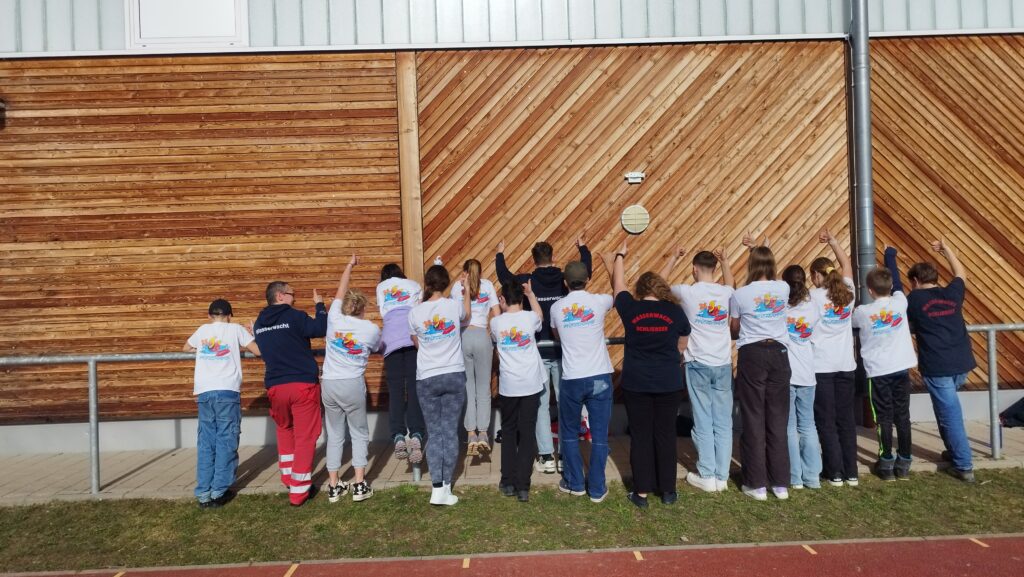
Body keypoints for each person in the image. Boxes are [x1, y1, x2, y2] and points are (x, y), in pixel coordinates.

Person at [605, 240, 691, 508]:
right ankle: (668, 491)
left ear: (640, 291)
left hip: (637, 383)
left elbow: (618, 285)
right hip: (668, 381)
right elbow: (683, 343)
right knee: (665, 435)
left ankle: (641, 493)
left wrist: (620, 256)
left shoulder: (631, 309)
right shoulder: (674, 311)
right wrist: (670, 358)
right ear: (661, 289)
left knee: (641, 436)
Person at [496, 234, 592, 474]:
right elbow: (586, 270)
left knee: (540, 404)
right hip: (563, 351)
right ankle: (565, 453)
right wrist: (583, 248)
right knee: (564, 402)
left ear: (533, 259)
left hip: (538, 351)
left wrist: (500, 254)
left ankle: (547, 456)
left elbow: (503, 276)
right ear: (553, 257)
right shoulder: (564, 279)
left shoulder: (526, 280)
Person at [661, 246, 735, 492]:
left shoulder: (687, 292)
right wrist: (725, 262)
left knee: (703, 418)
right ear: (714, 270)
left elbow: (658, 285)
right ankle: (722, 477)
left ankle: (707, 474)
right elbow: (731, 284)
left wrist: (673, 257)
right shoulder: (726, 293)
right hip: (723, 363)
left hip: (698, 363)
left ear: (694, 269)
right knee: (723, 421)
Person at [906, 238, 976, 483]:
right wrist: (947, 250)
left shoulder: (913, 300)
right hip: (962, 363)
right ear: (934, 278)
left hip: (938, 365)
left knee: (950, 414)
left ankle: (964, 465)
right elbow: (960, 274)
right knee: (945, 409)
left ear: (915, 281)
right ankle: (954, 451)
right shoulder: (951, 293)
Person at [253, 281, 328, 506]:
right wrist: (320, 306)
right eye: (292, 294)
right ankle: (299, 491)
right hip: (301, 384)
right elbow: (320, 329)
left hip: (276, 387)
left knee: (285, 429)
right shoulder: (295, 316)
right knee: (306, 437)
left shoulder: (259, 323)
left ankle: (288, 476)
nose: (294, 298)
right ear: (280, 296)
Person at [730, 233, 791, 501]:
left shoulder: (740, 294)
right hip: (779, 352)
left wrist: (756, 249)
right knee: (777, 419)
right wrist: (760, 246)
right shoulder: (783, 289)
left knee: (753, 418)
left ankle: (756, 483)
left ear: (750, 266)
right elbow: (768, 266)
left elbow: (733, 328)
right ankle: (780, 483)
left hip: (752, 352)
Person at [184, 299, 260, 509]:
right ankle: (219, 490)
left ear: (209, 316)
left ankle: (203, 492)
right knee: (226, 438)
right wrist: (252, 333)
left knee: (207, 441)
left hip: (205, 391)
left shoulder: (202, 330)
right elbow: (258, 350)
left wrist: (203, 352)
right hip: (227, 390)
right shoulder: (235, 329)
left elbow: (185, 347)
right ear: (230, 315)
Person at [550, 260, 615, 503]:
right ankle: (597, 488)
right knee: (599, 435)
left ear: (565, 283)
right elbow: (620, 292)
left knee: (568, 432)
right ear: (587, 279)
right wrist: (615, 262)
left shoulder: (557, 308)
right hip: (599, 375)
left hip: (572, 378)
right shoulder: (600, 301)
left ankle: (574, 482)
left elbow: (556, 334)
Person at [853, 247, 916, 481]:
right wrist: (890, 257)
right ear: (890, 288)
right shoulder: (900, 303)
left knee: (883, 418)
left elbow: (849, 322)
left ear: (869, 290)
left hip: (878, 372)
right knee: (903, 416)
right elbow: (898, 282)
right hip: (901, 369)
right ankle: (905, 462)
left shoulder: (862, 312)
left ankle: (886, 462)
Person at [322, 255, 382, 502]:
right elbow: (378, 346)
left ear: (346, 305)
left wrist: (348, 266)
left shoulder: (333, 317)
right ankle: (359, 484)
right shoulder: (370, 329)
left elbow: (340, 290)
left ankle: (334, 486)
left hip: (329, 383)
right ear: (363, 307)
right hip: (352, 383)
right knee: (358, 432)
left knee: (334, 433)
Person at [408, 264, 469, 505]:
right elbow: (467, 315)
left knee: (434, 433)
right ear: (445, 284)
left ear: (427, 283)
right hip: (453, 374)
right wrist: (463, 289)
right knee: (449, 432)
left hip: (426, 377)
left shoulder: (415, 312)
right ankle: (445, 487)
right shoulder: (453, 305)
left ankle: (436, 488)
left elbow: (416, 342)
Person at [809, 228, 859, 487]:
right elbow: (847, 265)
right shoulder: (848, 291)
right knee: (846, 420)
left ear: (816, 276)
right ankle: (851, 471)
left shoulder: (814, 296)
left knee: (826, 421)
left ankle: (834, 472)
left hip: (822, 366)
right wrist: (835, 242)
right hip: (845, 365)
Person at [490, 280, 545, 502]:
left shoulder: (496, 323)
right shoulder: (529, 318)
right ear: (521, 298)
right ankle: (523, 486)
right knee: (527, 432)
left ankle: (507, 481)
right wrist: (532, 295)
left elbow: (495, 339)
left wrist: (502, 310)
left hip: (509, 385)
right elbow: (540, 316)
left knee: (509, 431)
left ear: (503, 299)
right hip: (530, 383)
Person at [376, 264, 426, 465]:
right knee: (414, 389)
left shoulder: (381, 288)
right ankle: (416, 434)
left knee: (396, 391)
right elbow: (420, 308)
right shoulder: (413, 284)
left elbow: (383, 313)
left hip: (391, 342)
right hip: (412, 339)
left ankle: (397, 435)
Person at [451, 259, 500, 455]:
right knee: (483, 388)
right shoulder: (487, 285)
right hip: (482, 336)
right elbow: (496, 313)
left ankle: (470, 433)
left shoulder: (457, 287)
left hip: (463, 336)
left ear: (464, 271)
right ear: (480, 272)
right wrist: (492, 333)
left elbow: (455, 314)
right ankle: (483, 433)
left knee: (468, 387)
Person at [782, 265, 822, 490]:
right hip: (808, 372)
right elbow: (814, 336)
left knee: (789, 426)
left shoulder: (782, 309)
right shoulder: (813, 307)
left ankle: (794, 477)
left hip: (787, 373)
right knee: (808, 425)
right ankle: (812, 477)